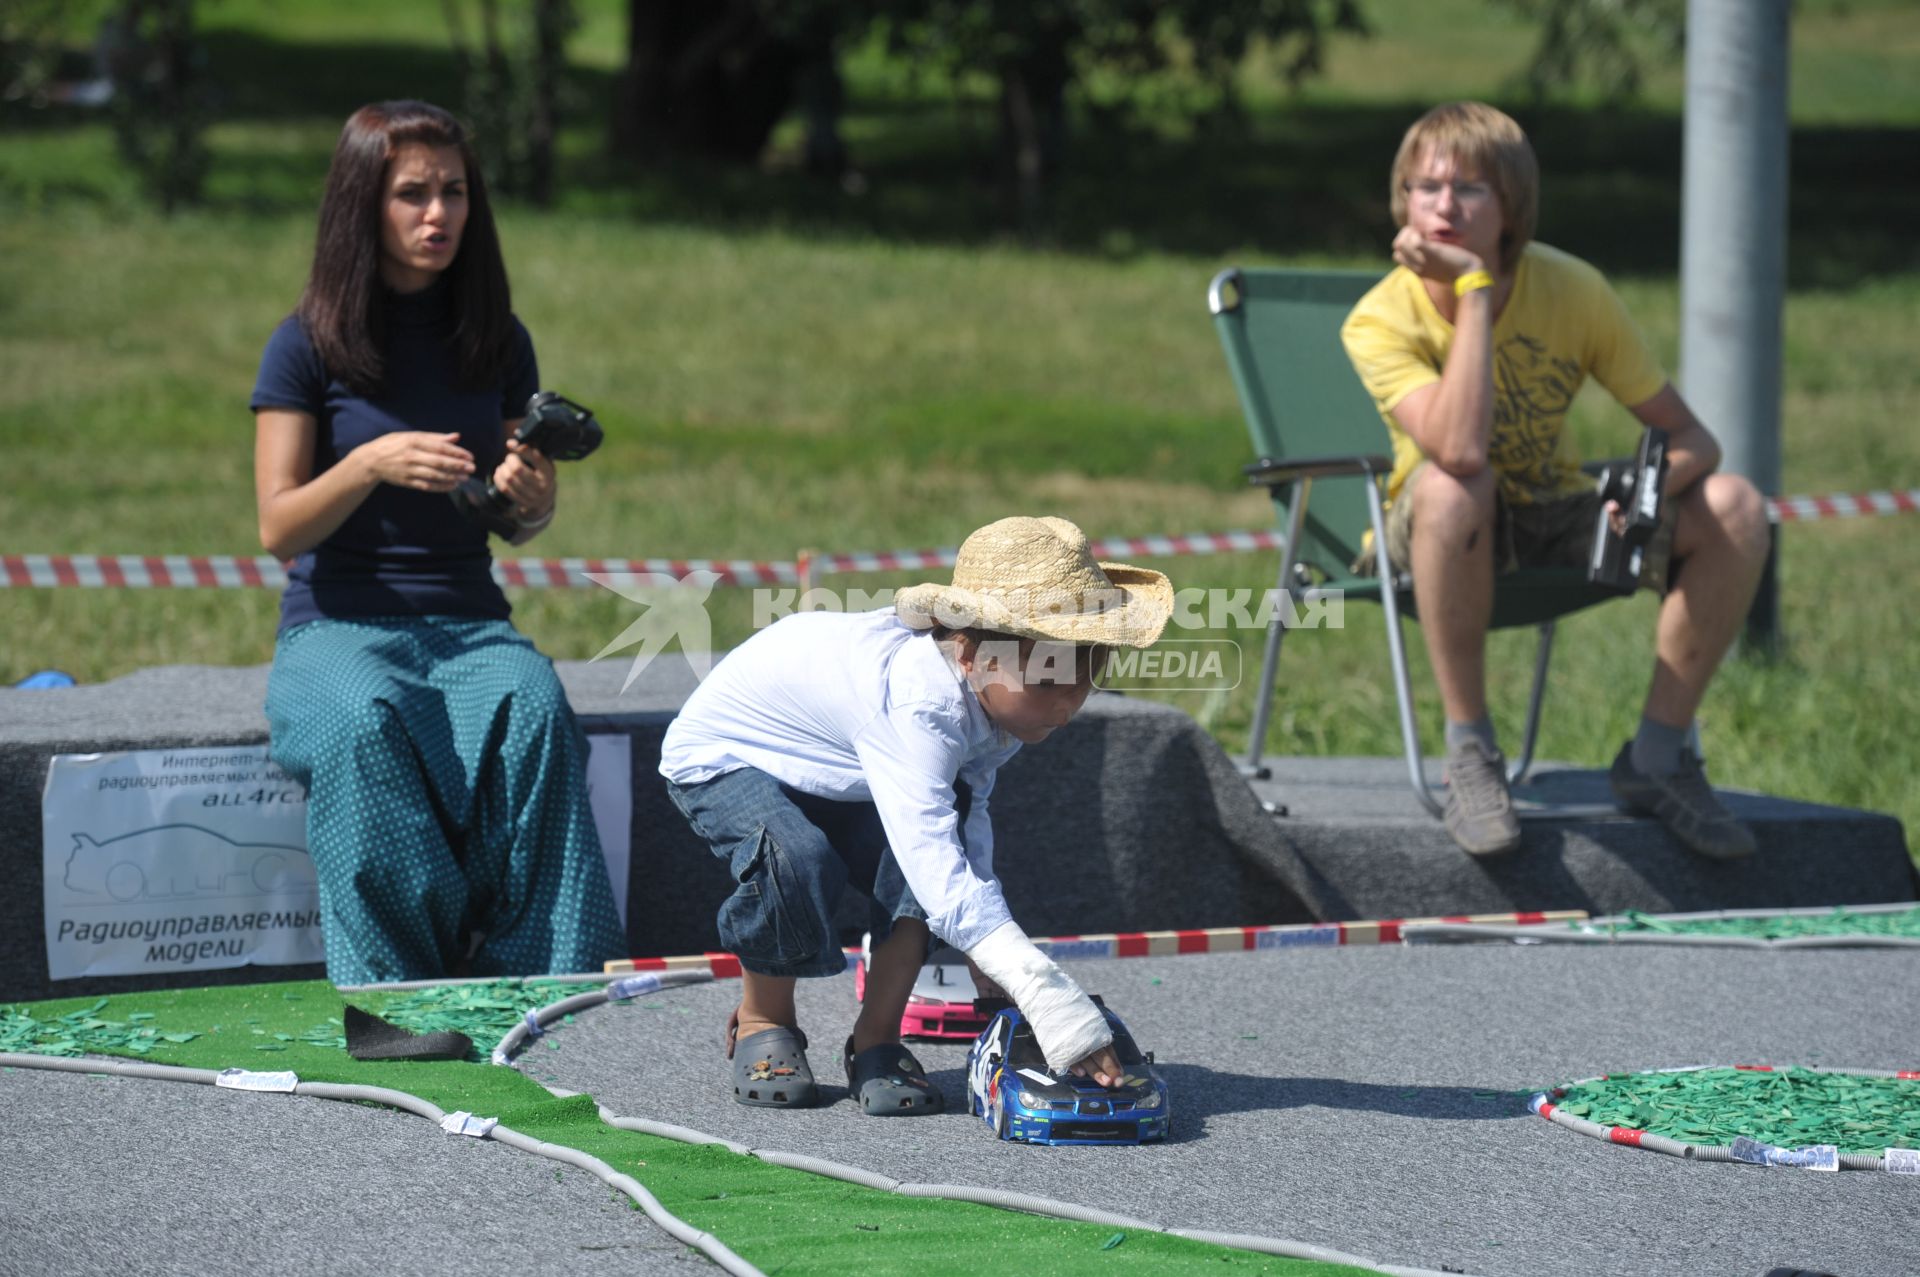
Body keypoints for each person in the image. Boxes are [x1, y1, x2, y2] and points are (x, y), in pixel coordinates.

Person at [251, 100, 625, 985]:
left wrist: (530, 498)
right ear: (362, 204)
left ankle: (547, 986)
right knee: (357, 725)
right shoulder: (305, 344)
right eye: (412, 193)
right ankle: (399, 994)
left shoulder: (496, 339)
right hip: (336, 624)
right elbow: (277, 526)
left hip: (469, 623)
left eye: (454, 191)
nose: (438, 214)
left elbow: (518, 521)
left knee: (534, 705)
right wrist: (370, 462)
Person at [1340, 101, 1771, 861]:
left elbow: (1694, 439)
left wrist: (1638, 506)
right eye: (1425, 187)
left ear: (1511, 207)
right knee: (1452, 486)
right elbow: (1462, 449)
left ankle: (1659, 760)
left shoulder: (1574, 290)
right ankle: (1471, 752)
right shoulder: (1377, 318)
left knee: (1736, 506)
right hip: (1435, 531)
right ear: (1402, 202)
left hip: (1556, 506)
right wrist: (1474, 290)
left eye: (1470, 188)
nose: (1444, 205)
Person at [658, 516, 1172, 1113]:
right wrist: (1047, 998)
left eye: (1087, 678)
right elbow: (938, 869)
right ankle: (762, 1018)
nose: (1068, 703)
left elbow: (964, 829)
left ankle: (876, 1037)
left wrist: (989, 951)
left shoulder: (994, 704)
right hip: (730, 755)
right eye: (1048, 679)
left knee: (926, 864)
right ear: (974, 654)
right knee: (795, 856)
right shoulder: (921, 706)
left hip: (842, 765)